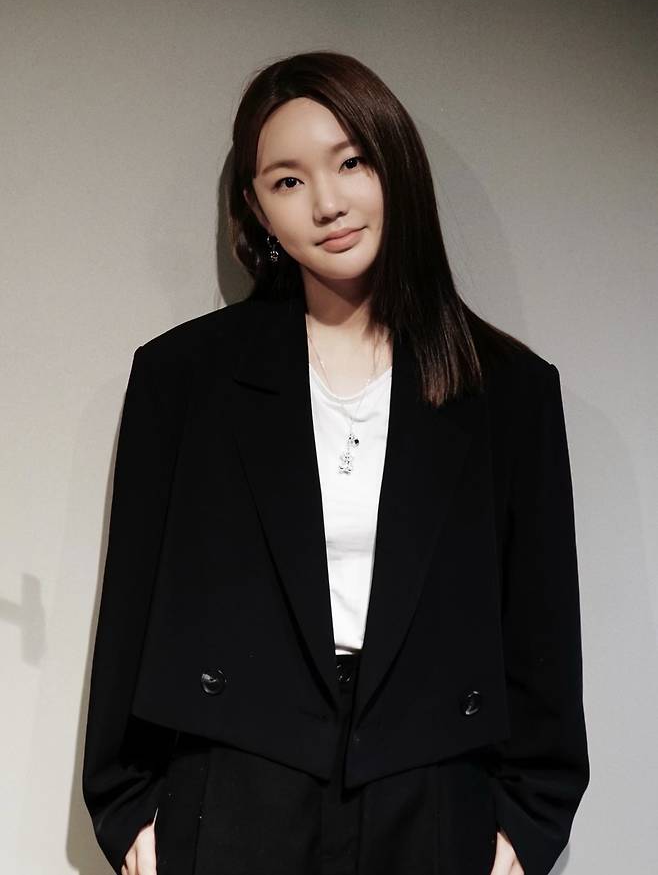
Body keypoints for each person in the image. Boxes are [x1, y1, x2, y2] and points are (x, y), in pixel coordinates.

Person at [82, 50, 589, 875]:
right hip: (235, 787)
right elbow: (133, 599)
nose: (326, 202)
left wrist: (528, 824)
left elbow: (541, 630)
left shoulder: (508, 390)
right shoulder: (185, 377)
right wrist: (127, 804)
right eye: (287, 180)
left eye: (351, 162)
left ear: (396, 165)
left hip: (432, 794)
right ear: (256, 208)